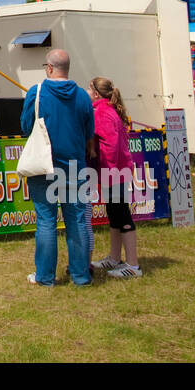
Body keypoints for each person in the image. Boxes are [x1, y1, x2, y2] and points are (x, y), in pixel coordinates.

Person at [21, 49, 96, 287]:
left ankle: (45, 277)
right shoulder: (84, 96)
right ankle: (81, 276)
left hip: (44, 165)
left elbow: (25, 126)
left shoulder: (37, 92)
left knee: (46, 221)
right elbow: (88, 133)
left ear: (50, 68)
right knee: (76, 221)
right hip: (75, 166)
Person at [88, 76, 141, 278]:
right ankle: (114, 256)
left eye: (88, 88)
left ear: (95, 93)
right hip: (116, 170)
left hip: (114, 170)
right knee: (114, 213)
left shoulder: (101, 112)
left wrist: (108, 171)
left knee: (122, 214)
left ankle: (133, 265)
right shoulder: (109, 110)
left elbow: (111, 146)